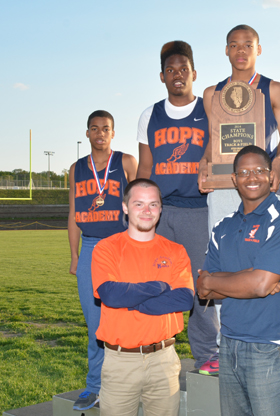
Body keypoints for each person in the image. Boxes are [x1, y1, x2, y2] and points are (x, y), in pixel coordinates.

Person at [196, 24, 280, 374]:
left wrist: (278, 162)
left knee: (267, 265)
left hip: (261, 185)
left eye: (248, 45)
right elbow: (212, 139)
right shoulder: (211, 93)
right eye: (234, 45)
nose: (241, 51)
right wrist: (205, 163)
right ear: (226, 50)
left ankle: (273, 339)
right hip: (224, 188)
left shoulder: (274, 89)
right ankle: (227, 347)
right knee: (224, 265)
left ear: (259, 49)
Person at [197, 145, 280, 416]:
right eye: (244, 172)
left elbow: (260, 285)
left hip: (270, 343)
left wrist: (218, 281)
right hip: (229, 343)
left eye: (259, 170)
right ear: (234, 179)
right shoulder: (223, 226)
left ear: (271, 176)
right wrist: (250, 278)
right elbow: (202, 290)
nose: (252, 177)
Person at [136, 40, 219, 370]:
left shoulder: (208, 110)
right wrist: (141, 214)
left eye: (183, 69)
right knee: (159, 285)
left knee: (202, 286)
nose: (177, 75)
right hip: (162, 212)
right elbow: (145, 168)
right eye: (170, 70)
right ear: (162, 76)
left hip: (199, 210)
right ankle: (154, 352)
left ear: (194, 73)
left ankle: (208, 356)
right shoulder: (150, 114)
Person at [91, 178, 194, 416]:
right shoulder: (106, 248)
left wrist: (132, 302)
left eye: (153, 204)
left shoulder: (176, 251)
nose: (147, 211)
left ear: (160, 208)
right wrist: (160, 285)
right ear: (125, 207)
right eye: (139, 204)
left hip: (164, 360)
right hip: (120, 362)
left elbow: (184, 300)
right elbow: (111, 294)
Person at [67, 110, 137, 410]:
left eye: (105, 129)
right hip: (91, 248)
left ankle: (131, 381)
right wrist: (74, 255)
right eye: (94, 129)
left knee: (129, 317)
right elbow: (72, 214)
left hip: (121, 246)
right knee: (95, 323)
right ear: (87, 134)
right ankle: (94, 385)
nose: (100, 133)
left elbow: (140, 203)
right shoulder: (76, 168)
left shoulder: (126, 162)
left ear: (112, 133)